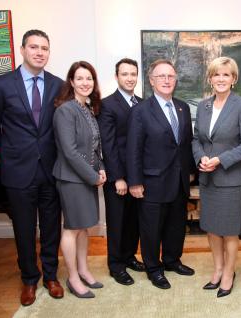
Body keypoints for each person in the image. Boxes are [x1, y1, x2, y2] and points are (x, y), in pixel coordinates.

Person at [0, 29, 64, 306]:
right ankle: (29, 279)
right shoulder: (2, 85)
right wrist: (10, 153)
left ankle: (51, 276)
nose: (40, 52)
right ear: (22, 50)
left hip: (51, 171)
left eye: (45, 48)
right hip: (18, 172)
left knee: (52, 226)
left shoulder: (58, 85)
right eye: (34, 47)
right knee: (25, 229)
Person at [126, 59, 195, 289]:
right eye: (161, 76)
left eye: (170, 76)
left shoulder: (183, 107)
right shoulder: (140, 111)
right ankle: (154, 268)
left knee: (176, 225)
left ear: (175, 80)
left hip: (179, 181)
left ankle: (172, 260)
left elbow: (186, 145)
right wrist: (135, 181)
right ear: (152, 81)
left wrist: (191, 172)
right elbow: (133, 149)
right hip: (152, 182)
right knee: (151, 229)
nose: (166, 80)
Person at [192, 56, 241, 297]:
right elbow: (196, 138)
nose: (221, 78)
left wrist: (221, 160)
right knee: (210, 227)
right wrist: (201, 158)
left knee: (229, 230)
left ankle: (229, 273)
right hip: (207, 177)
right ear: (210, 78)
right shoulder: (203, 105)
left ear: (233, 79)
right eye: (216, 74)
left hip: (230, 178)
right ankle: (218, 269)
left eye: (226, 74)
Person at [53, 61, 106, 298]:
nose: (86, 83)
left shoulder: (88, 109)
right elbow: (70, 151)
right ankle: (73, 277)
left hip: (88, 177)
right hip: (72, 179)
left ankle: (84, 270)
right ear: (71, 82)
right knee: (72, 229)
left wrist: (101, 168)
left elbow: (95, 147)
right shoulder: (65, 110)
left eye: (90, 78)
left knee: (85, 227)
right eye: (80, 78)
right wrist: (93, 176)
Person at [97, 58, 145, 286]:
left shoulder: (143, 103)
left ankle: (128, 256)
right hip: (119, 177)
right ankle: (115, 265)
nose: (129, 78)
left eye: (133, 74)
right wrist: (118, 178)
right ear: (117, 76)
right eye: (125, 74)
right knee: (117, 223)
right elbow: (108, 144)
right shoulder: (107, 104)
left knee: (133, 221)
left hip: (138, 177)